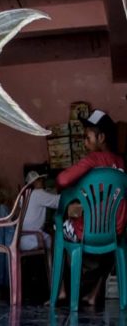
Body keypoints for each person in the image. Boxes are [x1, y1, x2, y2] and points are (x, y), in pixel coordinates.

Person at [55, 109, 125, 306]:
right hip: (114, 233)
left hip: (86, 232)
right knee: (114, 242)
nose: (85, 142)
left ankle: (60, 290)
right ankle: (95, 292)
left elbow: (62, 179)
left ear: (101, 137)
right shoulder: (121, 163)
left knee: (58, 227)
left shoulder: (93, 159)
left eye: (87, 137)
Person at [20, 171, 58, 252]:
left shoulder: (25, 196)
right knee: (52, 239)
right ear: (34, 183)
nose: (42, 181)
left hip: (22, 237)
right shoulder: (38, 193)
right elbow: (57, 201)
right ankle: (53, 263)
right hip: (33, 237)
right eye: (40, 180)